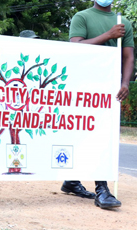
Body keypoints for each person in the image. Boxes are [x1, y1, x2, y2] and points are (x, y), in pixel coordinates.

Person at [68, 0, 134, 209]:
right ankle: (100, 189)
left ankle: (79, 182)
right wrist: (107, 35)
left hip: (109, 88)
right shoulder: (82, 17)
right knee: (83, 132)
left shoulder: (123, 22)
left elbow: (128, 56)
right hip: (83, 85)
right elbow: (75, 47)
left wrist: (125, 82)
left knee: (103, 134)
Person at [19, 30, 96, 198]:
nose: (35, 44)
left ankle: (72, 181)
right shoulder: (18, 63)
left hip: (49, 114)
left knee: (72, 141)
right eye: (31, 41)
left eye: (37, 40)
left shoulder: (47, 61)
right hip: (24, 116)